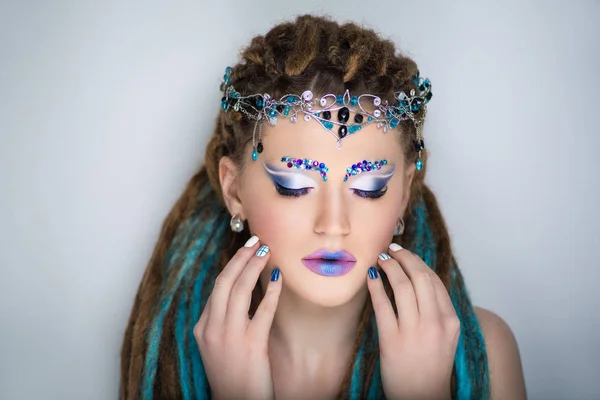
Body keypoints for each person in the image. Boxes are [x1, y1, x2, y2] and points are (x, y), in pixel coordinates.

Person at [120, 14, 526, 399]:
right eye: (294, 185)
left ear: (403, 193)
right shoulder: (174, 350)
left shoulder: (487, 351)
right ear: (234, 191)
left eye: (368, 187)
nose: (333, 225)